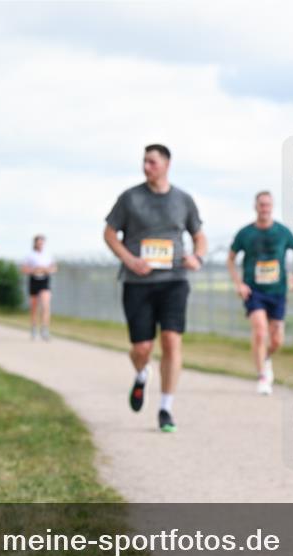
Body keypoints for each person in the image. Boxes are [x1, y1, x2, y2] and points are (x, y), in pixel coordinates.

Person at [103, 143, 207, 433]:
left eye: (152, 162)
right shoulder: (130, 198)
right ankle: (141, 374)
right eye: (144, 161)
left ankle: (166, 408)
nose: (146, 167)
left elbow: (199, 236)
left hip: (174, 280)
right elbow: (109, 234)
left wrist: (197, 257)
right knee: (142, 348)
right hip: (137, 283)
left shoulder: (183, 200)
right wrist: (130, 260)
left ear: (166, 165)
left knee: (172, 341)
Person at [227, 191, 293, 394]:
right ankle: (262, 376)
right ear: (255, 206)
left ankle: (266, 357)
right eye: (261, 204)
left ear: (272, 207)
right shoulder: (245, 233)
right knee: (260, 331)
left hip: (277, 291)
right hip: (254, 291)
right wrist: (239, 284)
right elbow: (230, 259)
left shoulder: (282, 232)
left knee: (277, 339)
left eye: (268, 205)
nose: (265, 208)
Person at [22, 234, 57, 341]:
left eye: (42, 242)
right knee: (34, 306)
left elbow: (54, 268)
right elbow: (24, 269)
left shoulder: (48, 255)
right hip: (34, 280)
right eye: (38, 242)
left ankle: (45, 329)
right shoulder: (30, 255)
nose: (40, 244)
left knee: (46, 305)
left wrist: (46, 269)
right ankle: (33, 327)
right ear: (35, 243)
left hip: (44, 280)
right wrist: (34, 270)